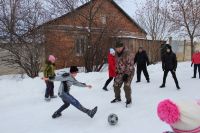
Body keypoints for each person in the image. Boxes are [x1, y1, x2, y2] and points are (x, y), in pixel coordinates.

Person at [111, 41, 135, 107]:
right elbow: (116, 64)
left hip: (129, 72)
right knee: (116, 85)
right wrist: (116, 72)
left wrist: (126, 74)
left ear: (122, 47)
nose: (118, 49)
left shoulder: (128, 53)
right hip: (120, 72)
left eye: (120, 47)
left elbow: (130, 65)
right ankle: (118, 98)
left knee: (126, 86)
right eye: (117, 48)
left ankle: (129, 100)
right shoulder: (116, 54)